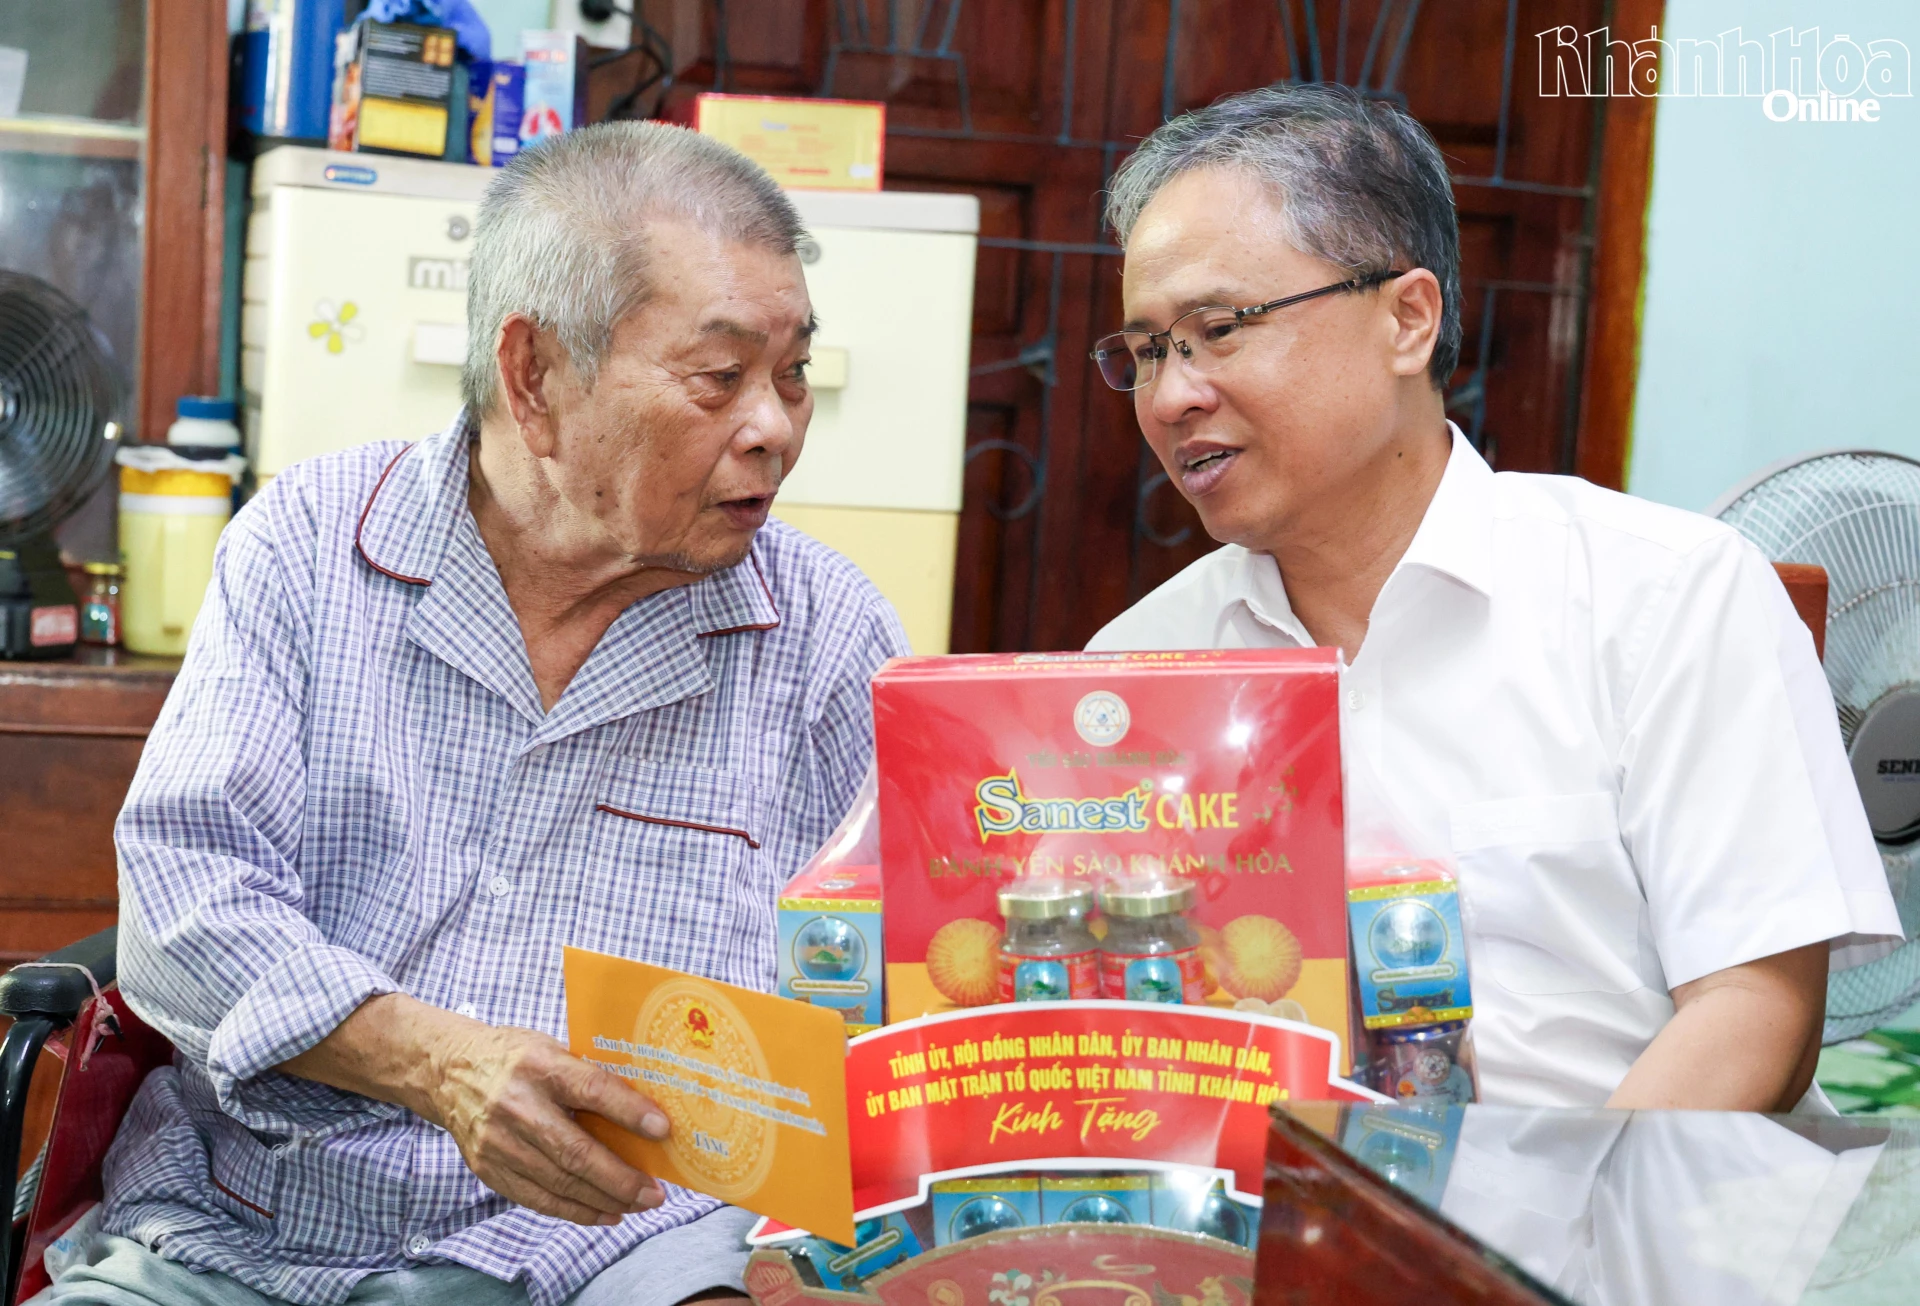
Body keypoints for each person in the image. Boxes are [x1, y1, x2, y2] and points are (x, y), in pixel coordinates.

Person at [67, 124, 908, 1306]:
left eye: (795, 373)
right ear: (535, 375)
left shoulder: (827, 637)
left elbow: (894, 1013)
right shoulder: (307, 545)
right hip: (247, 1226)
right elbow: (182, 904)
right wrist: (441, 1063)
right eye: (721, 377)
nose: (774, 425)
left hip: (615, 1250)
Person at [1084, 84, 1901, 1110]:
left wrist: (1568, 1210)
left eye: (1218, 328)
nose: (1171, 396)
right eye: (1147, 351)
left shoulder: (1664, 597)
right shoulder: (1135, 669)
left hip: (1611, 1197)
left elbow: (1754, 1007)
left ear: (1407, 319)